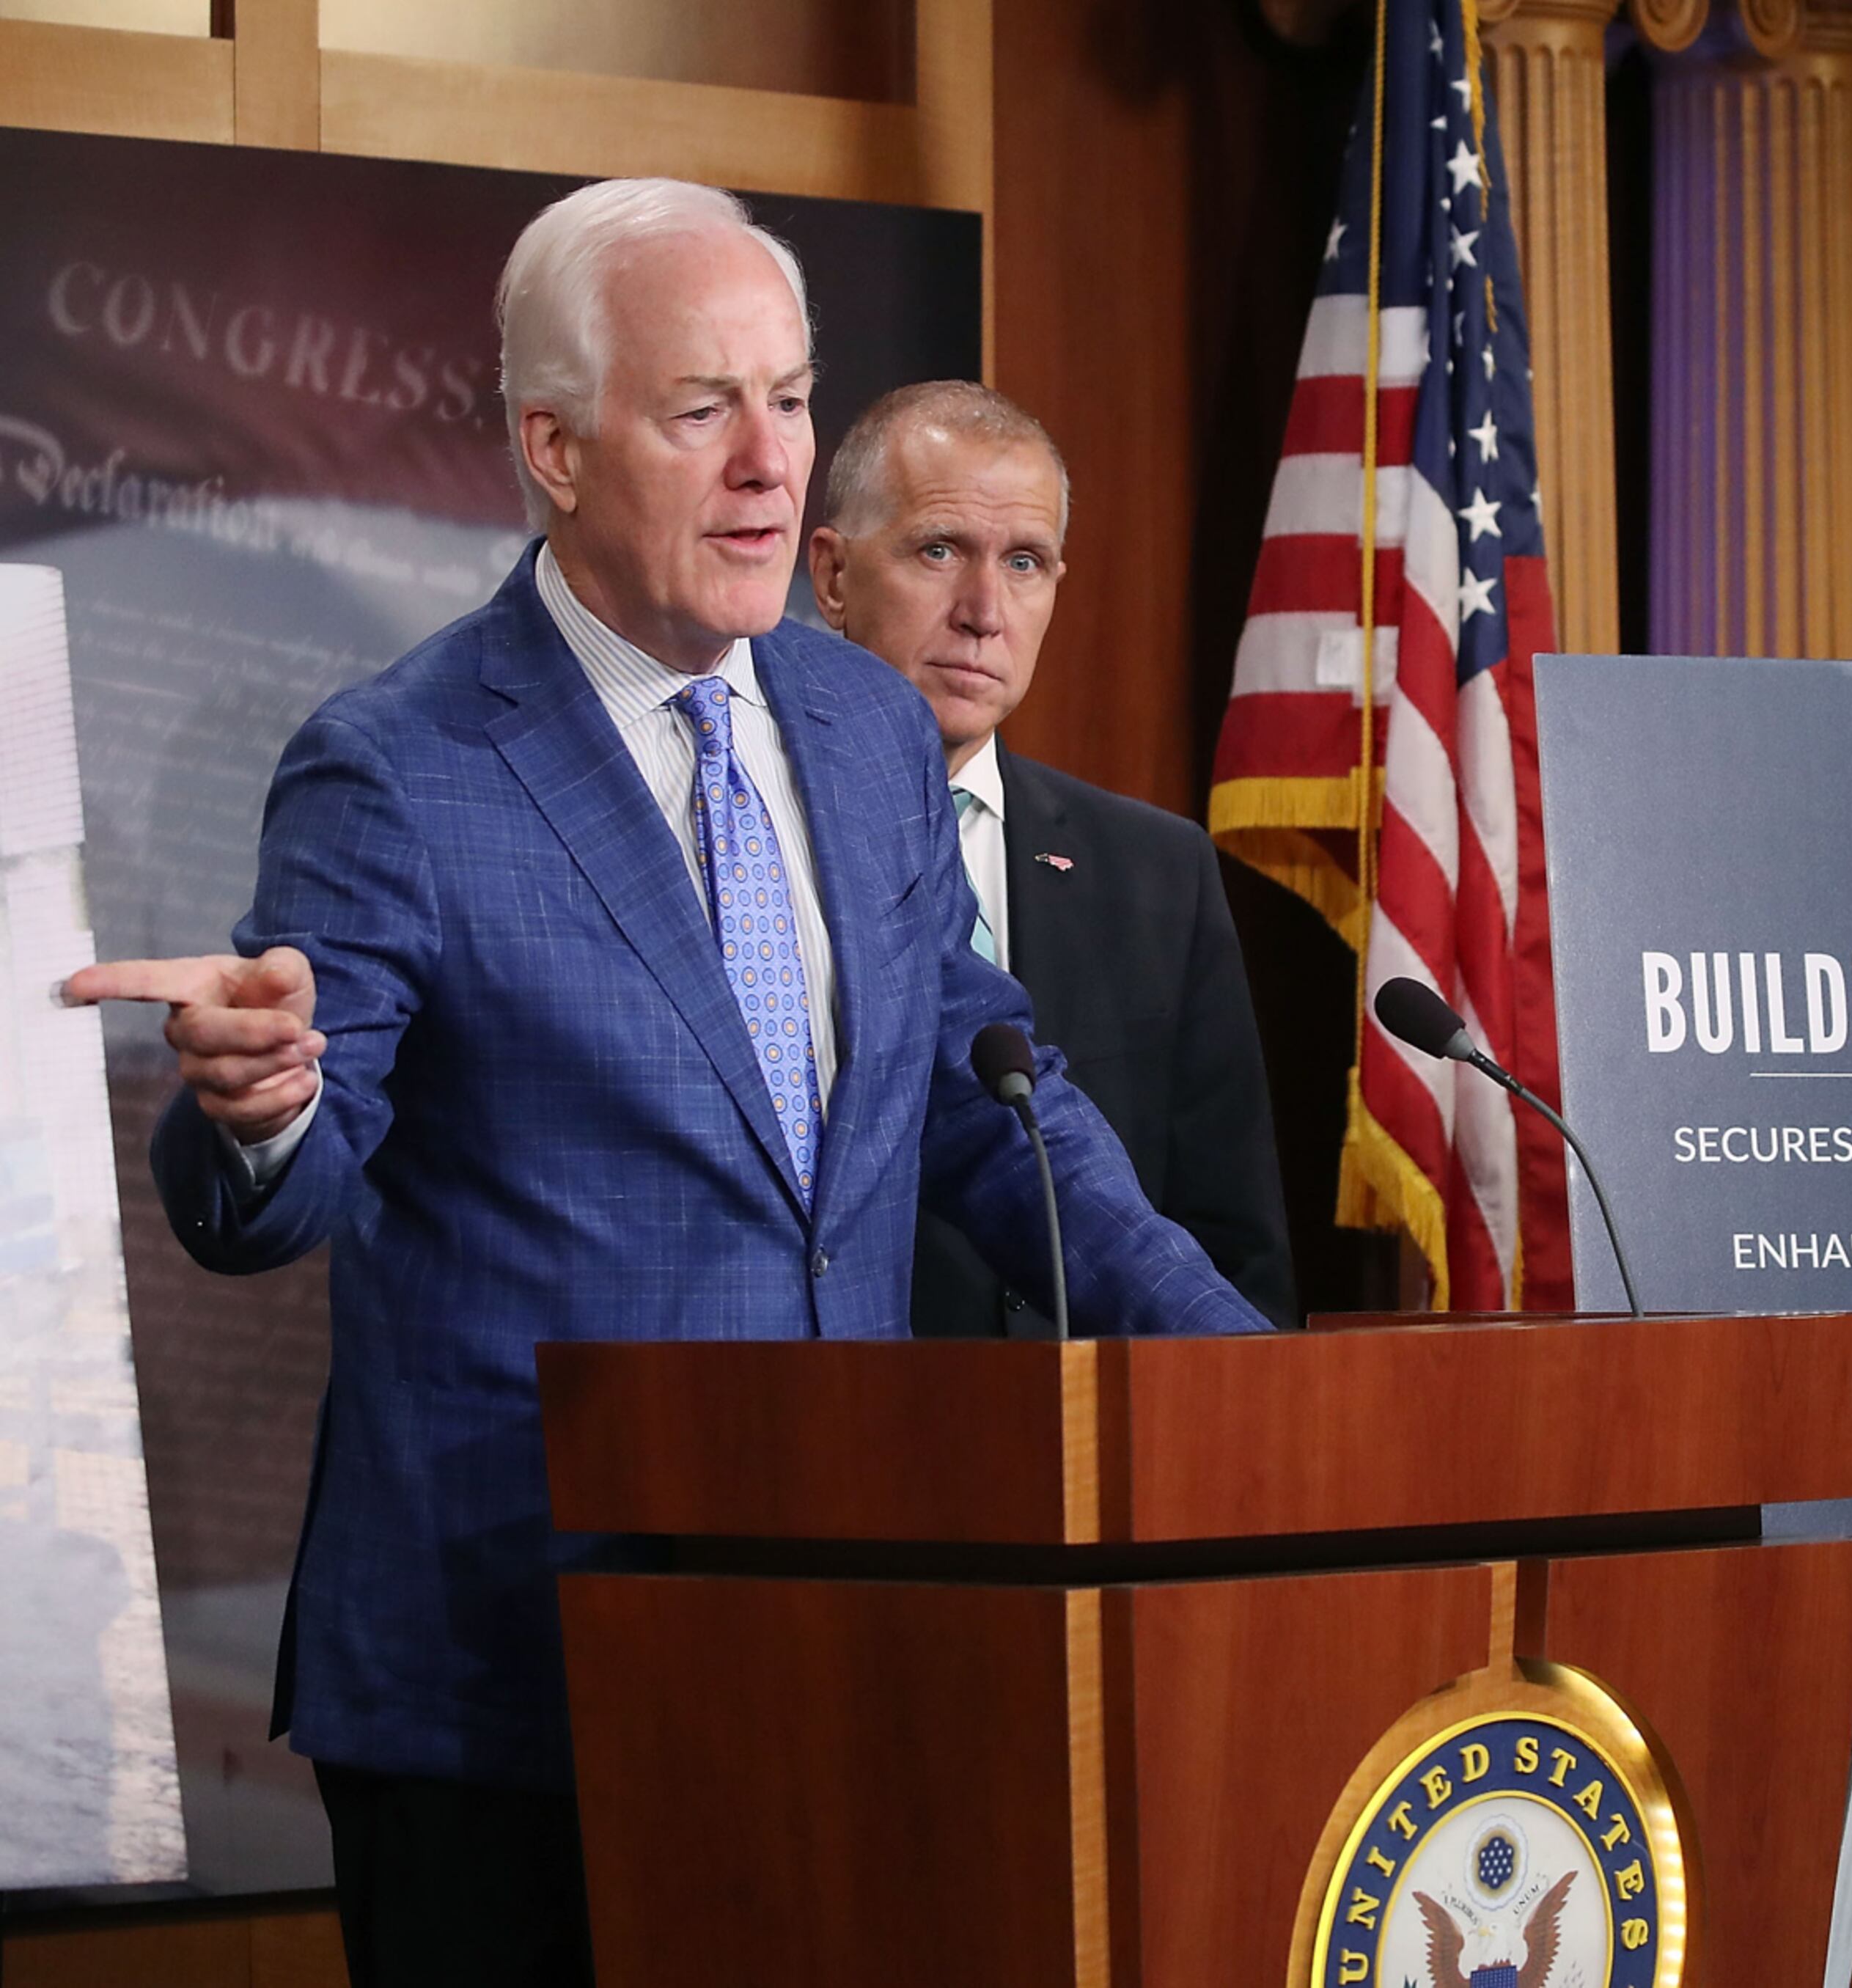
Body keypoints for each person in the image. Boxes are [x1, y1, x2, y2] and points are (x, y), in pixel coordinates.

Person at [63, 179, 1264, 1987]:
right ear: (553, 447)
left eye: (788, 398)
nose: (770, 462)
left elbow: (982, 1089)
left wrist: (1242, 1381)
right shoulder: (401, 765)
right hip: (513, 1688)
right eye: (703, 411)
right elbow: (285, 1194)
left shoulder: (862, 727)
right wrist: (263, 1106)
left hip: (836, 1646)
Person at [806, 383, 1298, 1335]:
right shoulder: (761, 845)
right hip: (854, 1434)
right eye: (939, 550)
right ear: (831, 577)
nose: (984, 611)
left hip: (1105, 1443)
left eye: (1024, 562)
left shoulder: (1158, 874)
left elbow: (1237, 1242)